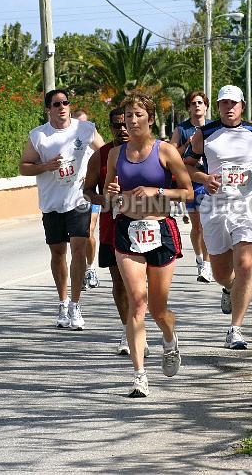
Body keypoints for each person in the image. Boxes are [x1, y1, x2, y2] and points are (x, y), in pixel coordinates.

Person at [104, 93, 193, 397]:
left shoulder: (165, 151)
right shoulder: (116, 154)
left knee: (157, 308)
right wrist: (114, 191)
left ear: (150, 119)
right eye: (128, 115)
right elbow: (108, 194)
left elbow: (187, 193)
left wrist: (156, 190)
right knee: (137, 301)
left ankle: (169, 338)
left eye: (138, 114)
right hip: (128, 229)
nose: (131, 120)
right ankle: (140, 375)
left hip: (160, 229)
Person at [183, 84, 252, 349]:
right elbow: (185, 166)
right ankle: (228, 288)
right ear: (218, 106)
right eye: (224, 103)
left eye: (233, 103)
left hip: (246, 204)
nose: (229, 107)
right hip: (215, 206)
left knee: (245, 265)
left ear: (242, 105)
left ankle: (236, 330)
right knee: (222, 273)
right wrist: (204, 178)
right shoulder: (204, 133)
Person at [20, 88, 104, 330]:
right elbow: (24, 167)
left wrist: (91, 174)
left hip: (78, 200)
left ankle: (76, 305)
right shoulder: (39, 136)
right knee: (58, 253)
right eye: (56, 104)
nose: (62, 107)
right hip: (51, 202)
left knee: (78, 249)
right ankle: (63, 301)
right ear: (48, 109)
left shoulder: (85, 129)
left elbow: (106, 154)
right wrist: (45, 165)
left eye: (65, 102)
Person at [83, 107, 147, 356]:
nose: (122, 129)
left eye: (126, 124)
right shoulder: (100, 155)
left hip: (144, 225)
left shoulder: (147, 151)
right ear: (109, 128)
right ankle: (127, 330)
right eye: (116, 125)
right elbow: (87, 190)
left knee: (142, 283)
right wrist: (103, 199)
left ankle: (140, 326)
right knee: (119, 280)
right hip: (112, 226)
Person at [170, 91, 213, 283]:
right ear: (188, 107)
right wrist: (186, 143)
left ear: (206, 106)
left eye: (200, 103)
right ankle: (199, 258)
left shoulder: (213, 126)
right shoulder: (182, 129)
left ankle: (207, 265)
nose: (197, 106)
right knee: (197, 226)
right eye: (193, 103)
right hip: (190, 182)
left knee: (207, 224)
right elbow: (170, 154)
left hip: (210, 181)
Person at [75, 109, 101, 290]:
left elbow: (108, 159)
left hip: (89, 193)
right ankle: (81, 269)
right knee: (77, 238)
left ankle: (90, 268)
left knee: (89, 231)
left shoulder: (94, 142)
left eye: (85, 122)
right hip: (72, 196)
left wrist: (91, 176)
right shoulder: (68, 142)